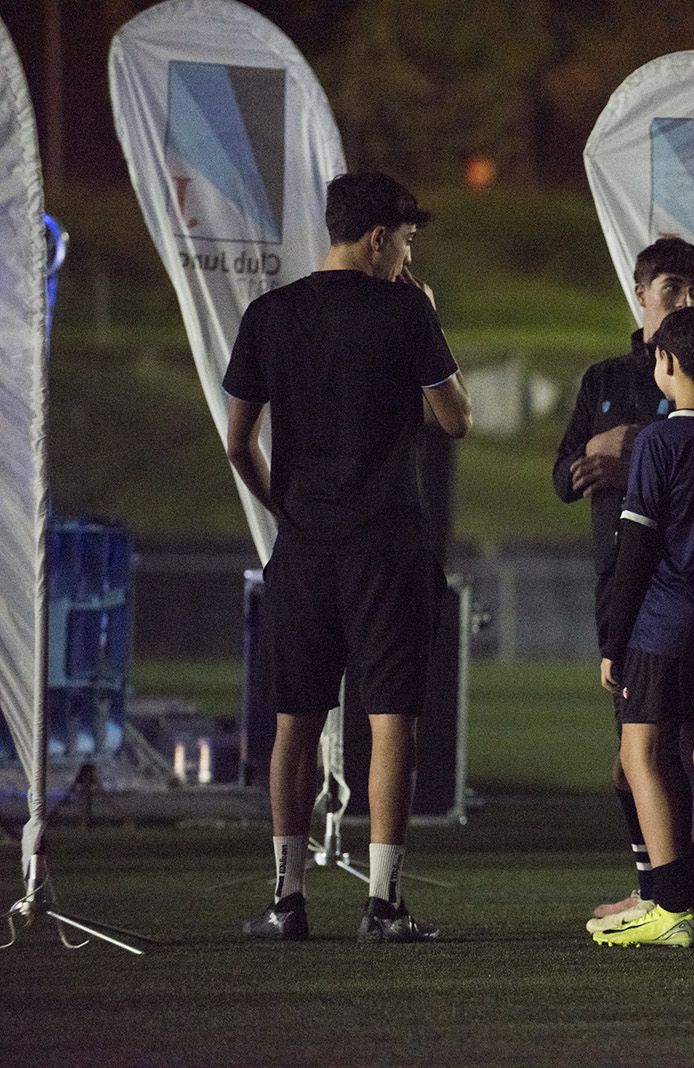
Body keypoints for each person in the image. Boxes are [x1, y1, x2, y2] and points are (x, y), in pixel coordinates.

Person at [226, 171, 472, 942]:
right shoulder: (405, 308)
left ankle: (286, 900)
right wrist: (427, 320)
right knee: (391, 719)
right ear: (375, 239)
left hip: (306, 547)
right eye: (404, 241)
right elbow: (456, 418)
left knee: (294, 722)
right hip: (387, 544)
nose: (405, 255)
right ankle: (384, 903)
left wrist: (284, 508)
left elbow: (237, 439)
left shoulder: (270, 314)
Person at [554, 238, 694, 931]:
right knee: (649, 757)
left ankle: (682, 899)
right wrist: (591, 454)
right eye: (674, 288)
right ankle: (672, 891)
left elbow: (684, 466)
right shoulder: (604, 381)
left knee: (668, 753)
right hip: (622, 582)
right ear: (641, 292)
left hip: (672, 593)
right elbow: (563, 475)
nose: (685, 302)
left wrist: (636, 467)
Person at [594, 306, 694, 948]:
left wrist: (611, 640)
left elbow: (636, 550)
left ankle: (672, 906)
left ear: (668, 364)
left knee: (640, 754)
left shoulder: (658, 442)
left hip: (662, 624)